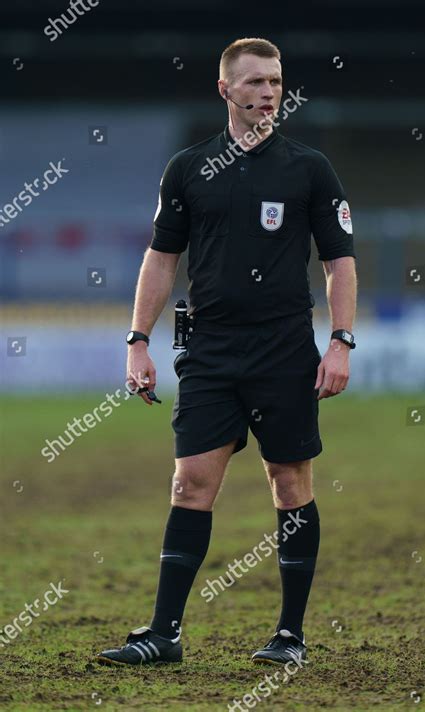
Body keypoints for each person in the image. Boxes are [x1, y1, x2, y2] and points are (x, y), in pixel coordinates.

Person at [96, 36, 357, 668]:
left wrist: (341, 341)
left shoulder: (309, 168)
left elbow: (340, 262)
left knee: (289, 482)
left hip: (284, 351)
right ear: (225, 90)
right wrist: (137, 339)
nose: (269, 93)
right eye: (255, 83)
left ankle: (289, 635)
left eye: (275, 82)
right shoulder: (187, 169)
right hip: (210, 350)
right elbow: (161, 259)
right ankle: (164, 635)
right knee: (189, 484)